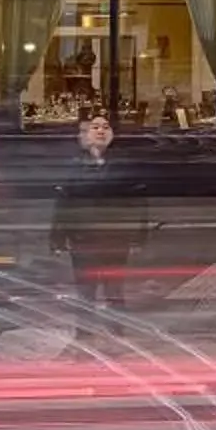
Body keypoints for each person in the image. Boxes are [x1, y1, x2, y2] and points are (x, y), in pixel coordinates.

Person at [49, 112, 145, 306]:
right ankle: (85, 332)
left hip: (116, 237)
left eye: (106, 127)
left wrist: (138, 236)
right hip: (83, 237)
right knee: (85, 289)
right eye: (95, 127)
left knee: (114, 288)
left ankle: (115, 331)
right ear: (84, 134)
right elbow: (63, 203)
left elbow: (137, 202)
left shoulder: (123, 165)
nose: (101, 130)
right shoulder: (74, 165)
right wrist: (57, 237)